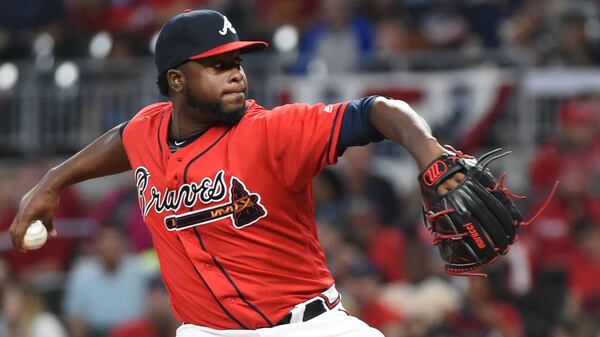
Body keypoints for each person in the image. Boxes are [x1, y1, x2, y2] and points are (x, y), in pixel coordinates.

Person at [9, 9, 463, 337]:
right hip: (206, 331)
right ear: (176, 81)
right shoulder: (149, 128)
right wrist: (52, 181)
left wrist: (428, 152)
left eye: (237, 63)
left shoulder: (273, 130)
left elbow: (379, 110)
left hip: (307, 327)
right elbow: (121, 141)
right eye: (217, 65)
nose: (236, 76)